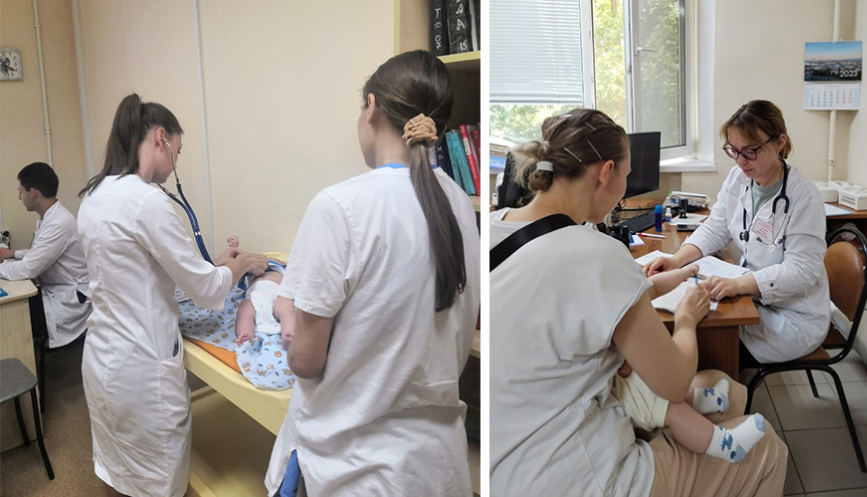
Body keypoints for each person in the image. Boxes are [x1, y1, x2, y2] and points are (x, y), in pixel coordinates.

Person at [490, 108, 787, 496]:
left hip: (505, 463)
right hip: (579, 476)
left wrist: (677, 271)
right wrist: (686, 318)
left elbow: (579, 300)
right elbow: (674, 382)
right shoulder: (594, 253)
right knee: (769, 448)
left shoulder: (495, 226)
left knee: (724, 390)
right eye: (627, 176)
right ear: (605, 173)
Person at [263, 50, 480, 496]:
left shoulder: (339, 207)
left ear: (372, 108)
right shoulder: (460, 203)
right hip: (436, 466)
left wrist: (286, 312)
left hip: (352, 470)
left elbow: (305, 362)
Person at [77, 94, 268, 497]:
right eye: (177, 151)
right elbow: (207, 290)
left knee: (117, 470)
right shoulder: (148, 201)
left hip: (102, 360)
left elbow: (141, 270)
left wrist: (215, 264)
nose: (176, 162)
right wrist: (244, 264)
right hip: (142, 372)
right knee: (158, 482)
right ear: (160, 138)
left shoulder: (95, 195)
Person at [645, 100, 830, 365]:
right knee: (692, 321)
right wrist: (677, 260)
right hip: (752, 297)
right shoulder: (738, 178)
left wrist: (739, 285)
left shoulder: (803, 198)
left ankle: (721, 386)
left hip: (793, 317)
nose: (741, 161)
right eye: (734, 150)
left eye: (750, 151)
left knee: (708, 343)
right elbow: (716, 227)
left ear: (779, 142)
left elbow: (802, 270)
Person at [0, 162, 91, 348]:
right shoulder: (48, 218)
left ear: (32, 192)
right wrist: (14, 254)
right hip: (55, 289)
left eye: (20, 192)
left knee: (11, 313)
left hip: (68, 298)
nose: (19, 197)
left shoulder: (58, 224)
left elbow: (29, 268)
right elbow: (40, 253)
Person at [226, 235, 296, 347]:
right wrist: (235, 247)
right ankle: (246, 334)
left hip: (278, 295)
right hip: (254, 297)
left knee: (286, 307)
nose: (266, 261)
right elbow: (239, 261)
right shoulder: (250, 270)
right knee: (244, 310)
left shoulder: (284, 270)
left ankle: (289, 333)